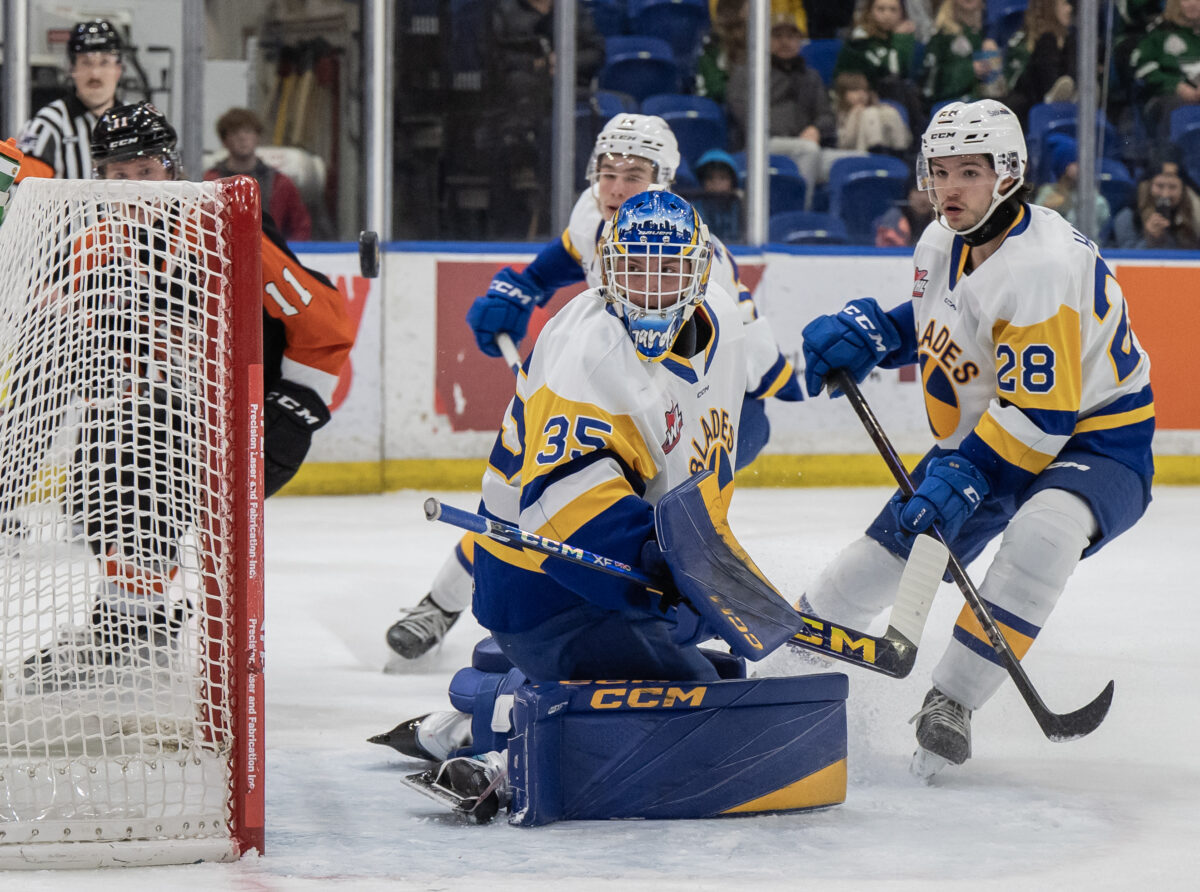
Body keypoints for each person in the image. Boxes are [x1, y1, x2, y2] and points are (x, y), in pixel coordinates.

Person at [799, 99, 1153, 777]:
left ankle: (953, 699)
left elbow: (1043, 419)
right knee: (882, 561)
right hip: (999, 427)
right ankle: (791, 661)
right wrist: (880, 334)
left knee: (1042, 537)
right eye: (940, 172)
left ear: (1008, 175)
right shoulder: (942, 240)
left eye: (969, 172)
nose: (950, 188)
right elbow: (955, 322)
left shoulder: (1040, 267)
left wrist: (967, 474)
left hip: (1097, 438)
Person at [385, 190, 754, 811]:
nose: (650, 288)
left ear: (700, 272)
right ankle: (501, 751)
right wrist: (672, 575)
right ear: (607, 267)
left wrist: (700, 573)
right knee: (698, 720)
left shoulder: (723, 317)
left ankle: (476, 718)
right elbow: (570, 517)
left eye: (669, 267)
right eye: (633, 266)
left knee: (713, 676)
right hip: (545, 588)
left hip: (623, 580)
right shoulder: (592, 350)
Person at [385, 114, 801, 661]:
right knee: (543, 493)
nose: (616, 189)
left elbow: (757, 370)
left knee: (629, 518)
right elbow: (559, 261)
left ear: (664, 182)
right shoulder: (596, 216)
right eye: (608, 173)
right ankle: (444, 605)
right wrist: (521, 288)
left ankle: (655, 604)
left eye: (635, 175)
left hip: (721, 407)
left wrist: (786, 381)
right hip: (635, 393)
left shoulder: (699, 264)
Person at [22, 102, 355, 681]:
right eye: (118, 175)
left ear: (172, 169)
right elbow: (70, 316)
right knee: (97, 494)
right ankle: (138, 623)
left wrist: (297, 405)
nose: (134, 187)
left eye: (145, 171)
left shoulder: (225, 226)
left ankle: (131, 631)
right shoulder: (96, 241)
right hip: (166, 412)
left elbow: (325, 323)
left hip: (251, 418)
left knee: (142, 475)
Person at [727, 13, 853, 206]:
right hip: (762, 147)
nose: (785, 42)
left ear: (800, 41)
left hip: (806, 147)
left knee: (856, 162)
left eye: (791, 37)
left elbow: (827, 116)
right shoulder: (749, 72)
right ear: (765, 39)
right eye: (778, 36)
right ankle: (800, 213)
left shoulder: (810, 76)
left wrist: (816, 129)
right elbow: (743, 113)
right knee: (808, 150)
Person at [16, 19, 126, 180]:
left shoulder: (135, 123)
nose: (95, 74)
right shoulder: (47, 125)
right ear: (72, 69)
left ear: (118, 69)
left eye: (104, 63)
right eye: (86, 63)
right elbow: (22, 190)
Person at [203, 107, 312, 242]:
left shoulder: (279, 183)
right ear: (225, 141)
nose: (242, 138)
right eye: (235, 132)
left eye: (248, 131)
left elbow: (300, 227)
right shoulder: (211, 182)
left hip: (269, 251)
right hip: (223, 251)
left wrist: (285, 250)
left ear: (257, 137)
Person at [833, 0, 925, 135]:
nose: (887, 15)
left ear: (902, 14)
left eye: (893, 10)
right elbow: (893, 70)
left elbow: (909, 72)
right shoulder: (859, 40)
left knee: (906, 89)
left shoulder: (904, 38)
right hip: (860, 94)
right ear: (869, 12)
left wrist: (901, 39)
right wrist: (900, 39)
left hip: (894, 93)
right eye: (881, 9)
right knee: (895, 85)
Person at [1130, 0, 1200, 140]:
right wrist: (1176, 86)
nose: (1192, 4)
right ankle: (1171, 155)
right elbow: (1142, 69)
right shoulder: (1160, 33)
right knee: (1178, 111)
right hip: (1168, 99)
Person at [1003, 0, 1078, 126]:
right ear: (1050, 8)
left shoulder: (1069, 40)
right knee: (1048, 40)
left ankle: (1075, 93)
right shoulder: (1042, 41)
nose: (1069, 9)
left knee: (1073, 42)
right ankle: (1055, 94)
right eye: (1064, 4)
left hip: (1051, 108)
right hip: (1028, 109)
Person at [920, 0, 1005, 109]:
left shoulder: (990, 34)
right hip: (950, 105)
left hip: (987, 102)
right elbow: (932, 82)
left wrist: (995, 63)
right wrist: (971, 69)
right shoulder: (942, 36)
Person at [1109, 158, 1200, 249]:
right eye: (1160, 186)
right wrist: (1151, 240)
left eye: (1172, 187)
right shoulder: (1128, 217)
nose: (1165, 194)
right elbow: (1125, 255)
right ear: (1147, 187)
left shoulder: (1193, 216)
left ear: (1183, 191)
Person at [1033, 134, 1112, 233]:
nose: (1082, 166)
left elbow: (1102, 216)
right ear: (1064, 166)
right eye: (1076, 162)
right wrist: (1047, 209)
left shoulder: (1088, 193)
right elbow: (1037, 224)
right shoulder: (1047, 192)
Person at [833, 71, 912, 154]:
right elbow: (843, 144)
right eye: (854, 90)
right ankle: (876, 148)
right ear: (842, 93)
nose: (861, 94)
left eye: (864, 90)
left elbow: (907, 138)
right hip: (853, 153)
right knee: (870, 113)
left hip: (889, 150)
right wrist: (854, 116)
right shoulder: (838, 113)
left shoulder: (881, 110)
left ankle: (894, 153)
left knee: (888, 112)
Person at [690, 147, 744, 242]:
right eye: (710, 178)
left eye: (723, 178)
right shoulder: (693, 209)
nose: (716, 182)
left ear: (733, 182)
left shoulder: (742, 208)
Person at [873, 173, 937, 245]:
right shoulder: (894, 217)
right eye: (918, 191)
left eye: (929, 192)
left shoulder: (941, 220)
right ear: (908, 193)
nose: (923, 198)